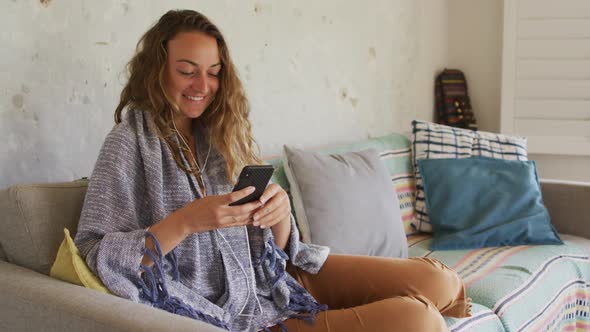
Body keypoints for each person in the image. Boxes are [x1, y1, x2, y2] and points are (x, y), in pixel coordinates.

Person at [75, 9, 471, 332]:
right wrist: (185, 222)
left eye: (214, 72)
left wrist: (278, 215)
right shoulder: (128, 142)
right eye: (187, 70)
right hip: (234, 312)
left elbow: (277, 248)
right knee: (418, 320)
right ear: (157, 70)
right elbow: (92, 252)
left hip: (277, 278)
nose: (203, 84)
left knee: (442, 282)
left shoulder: (220, 133)